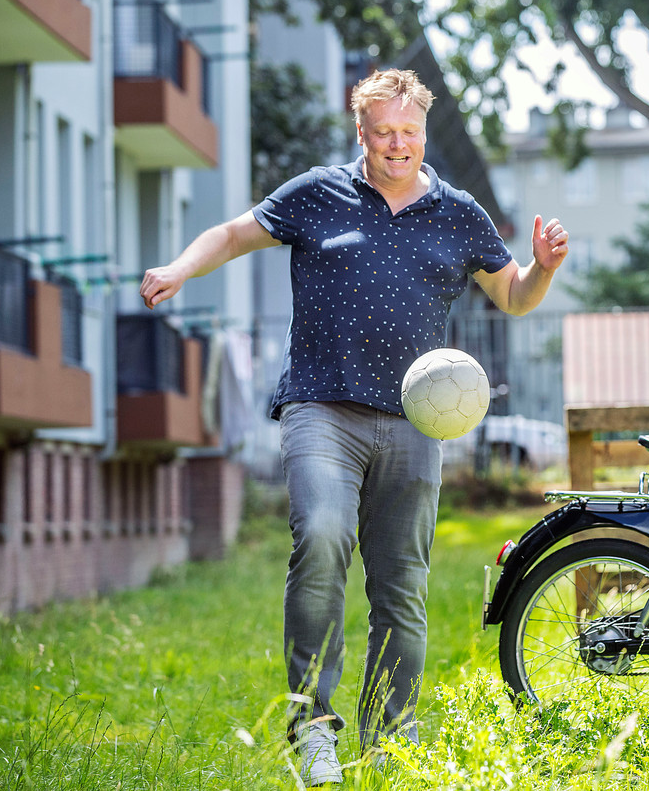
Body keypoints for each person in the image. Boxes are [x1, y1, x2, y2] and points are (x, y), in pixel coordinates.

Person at [139, 68, 567, 785]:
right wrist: (181, 267)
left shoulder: (459, 213)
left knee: (401, 585)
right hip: (321, 408)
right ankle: (311, 724)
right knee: (324, 536)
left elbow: (514, 296)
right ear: (360, 130)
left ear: (423, 132)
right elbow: (233, 233)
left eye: (409, 131)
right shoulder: (317, 194)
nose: (397, 145)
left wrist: (543, 269)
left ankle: (387, 738)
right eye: (383, 131)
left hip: (414, 422)